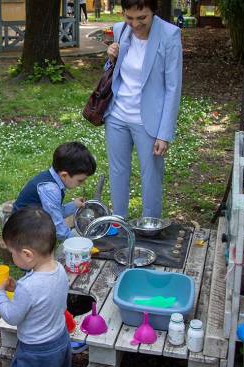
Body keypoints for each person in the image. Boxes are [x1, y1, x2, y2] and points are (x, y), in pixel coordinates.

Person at [0, 208, 72, 367]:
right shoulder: (60, 270)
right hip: (61, 341)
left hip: (36, 351)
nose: (12, 258)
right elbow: (46, 299)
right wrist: (18, 288)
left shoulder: (29, 287)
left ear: (27, 255)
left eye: (12, 254)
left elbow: (12, 315)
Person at [104, 0, 182, 219]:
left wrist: (164, 134)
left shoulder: (170, 35)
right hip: (117, 115)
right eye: (129, 18)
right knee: (118, 172)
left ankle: (151, 226)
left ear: (153, 13)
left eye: (142, 18)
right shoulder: (120, 30)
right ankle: (118, 221)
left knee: (151, 177)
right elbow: (114, 72)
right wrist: (110, 58)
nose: (135, 24)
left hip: (149, 121)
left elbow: (173, 88)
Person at [11, 141, 97, 241]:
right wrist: (77, 241)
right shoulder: (51, 189)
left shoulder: (52, 179)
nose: (83, 183)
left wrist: (74, 205)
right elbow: (57, 226)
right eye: (80, 180)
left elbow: (55, 211)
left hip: (33, 222)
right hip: (23, 232)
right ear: (64, 175)